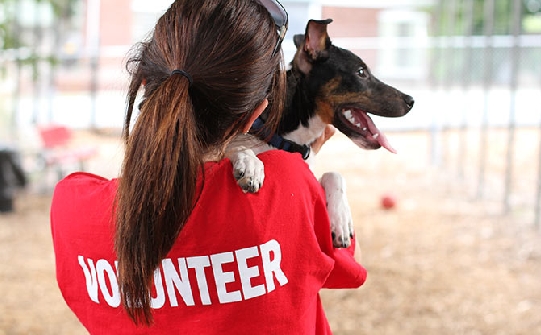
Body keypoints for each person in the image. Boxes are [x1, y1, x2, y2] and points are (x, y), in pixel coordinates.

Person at [50, 0, 366, 334]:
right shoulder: (288, 182)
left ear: (144, 81)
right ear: (255, 112)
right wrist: (306, 163)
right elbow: (346, 265)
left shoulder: (72, 207)